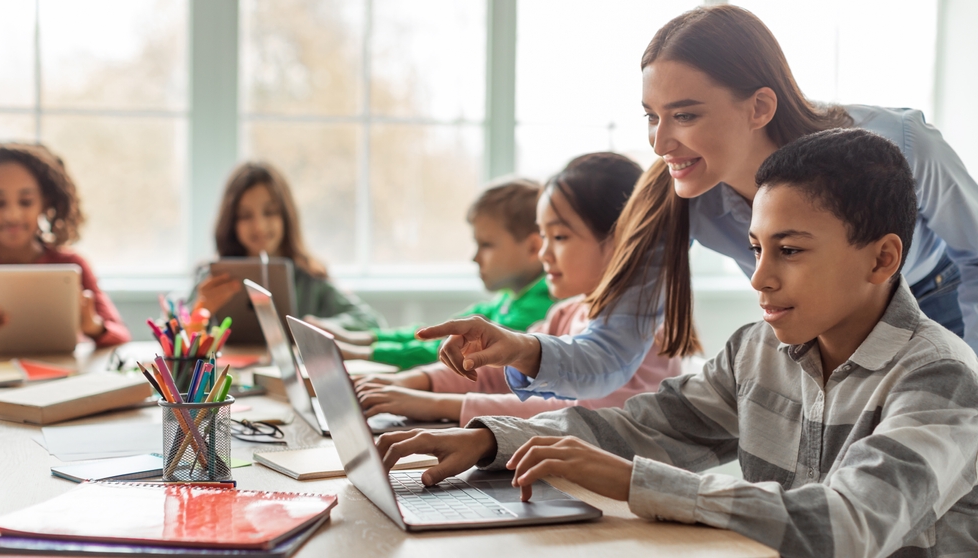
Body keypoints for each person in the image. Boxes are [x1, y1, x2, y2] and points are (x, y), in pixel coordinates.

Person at [378, 129, 978, 558]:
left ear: (882, 258)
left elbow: (848, 527)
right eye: (755, 248)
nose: (759, 277)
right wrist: (489, 438)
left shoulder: (941, 379)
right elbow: (642, 426)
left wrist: (637, 481)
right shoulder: (757, 351)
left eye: (789, 250)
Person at [416, 4, 978, 401]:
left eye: (684, 115)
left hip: (937, 305)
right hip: (820, 326)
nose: (660, 144)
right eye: (651, 117)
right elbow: (612, 353)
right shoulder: (679, 196)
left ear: (759, 107)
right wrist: (517, 348)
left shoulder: (900, 143)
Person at [355, 155, 686, 423]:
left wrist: (434, 404)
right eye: (543, 237)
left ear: (619, 239)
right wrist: (405, 384)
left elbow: (577, 416)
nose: (542, 254)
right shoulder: (564, 314)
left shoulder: (644, 334)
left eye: (559, 237)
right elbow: (498, 373)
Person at [313, 179, 555, 370]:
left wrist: (361, 353)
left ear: (533, 248)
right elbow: (437, 333)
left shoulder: (543, 306)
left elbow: (451, 353)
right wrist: (365, 338)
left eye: (486, 245)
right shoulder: (508, 299)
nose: (475, 257)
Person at [193, 162, 383, 331]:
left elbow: (371, 322)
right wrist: (200, 312)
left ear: (286, 216)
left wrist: (318, 328)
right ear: (231, 222)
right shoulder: (212, 278)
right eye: (245, 216)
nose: (259, 226)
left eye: (270, 212)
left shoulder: (310, 279)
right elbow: (171, 330)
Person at [0, 142, 131, 348]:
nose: (12, 215)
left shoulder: (71, 265)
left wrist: (91, 325)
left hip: (61, 377)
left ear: (45, 202)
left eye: (26, 201)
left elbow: (120, 335)